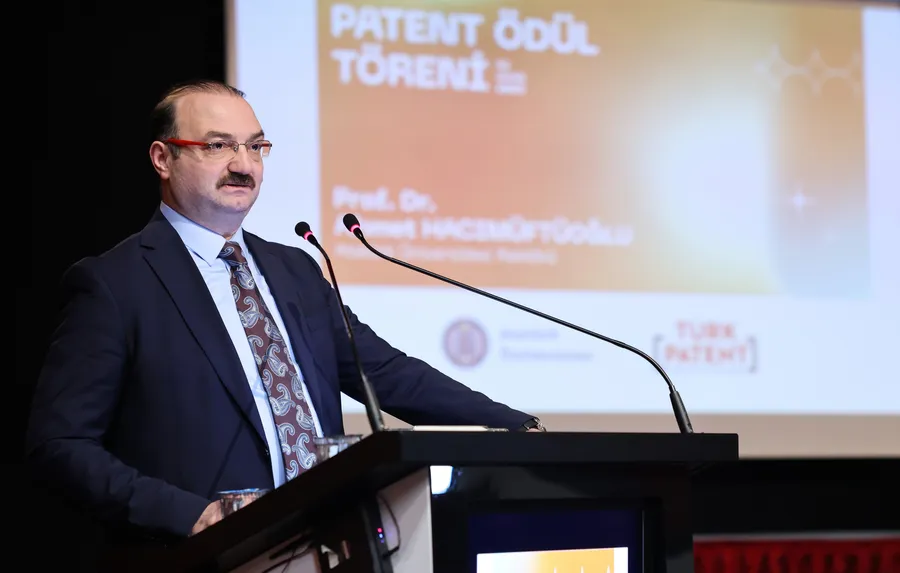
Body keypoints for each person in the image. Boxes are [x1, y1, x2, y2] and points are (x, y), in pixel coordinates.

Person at [24, 80, 544, 543]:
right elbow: (60, 444)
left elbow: (385, 373)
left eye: (255, 146)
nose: (243, 165)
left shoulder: (295, 270)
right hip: (207, 554)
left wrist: (515, 427)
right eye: (218, 146)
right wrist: (189, 515)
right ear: (163, 158)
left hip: (329, 538)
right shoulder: (115, 284)